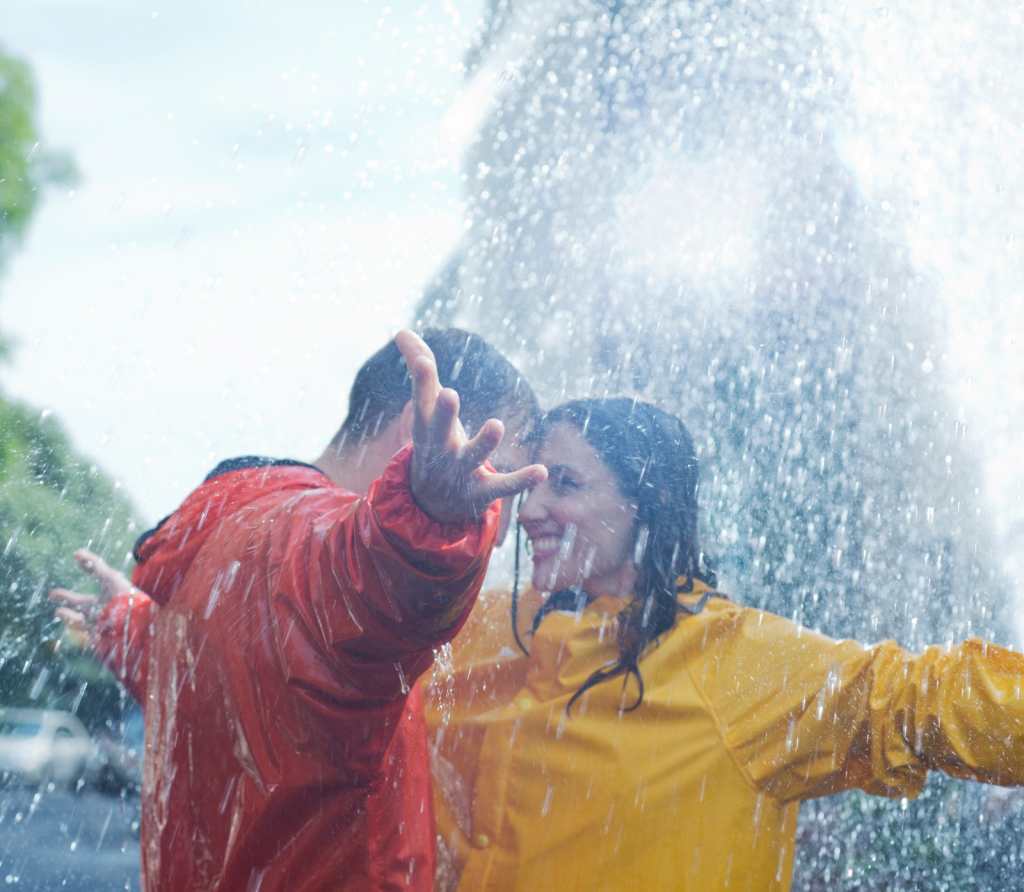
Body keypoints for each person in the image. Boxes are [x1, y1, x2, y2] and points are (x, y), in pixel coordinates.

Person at [423, 397, 1024, 892]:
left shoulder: (730, 659)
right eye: (529, 486)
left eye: (566, 485)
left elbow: (914, 699)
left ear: (644, 505)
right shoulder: (489, 627)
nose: (530, 511)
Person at [50, 328, 546, 892]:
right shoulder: (319, 542)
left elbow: (248, 691)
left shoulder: (235, 537)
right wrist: (430, 518)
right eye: (493, 476)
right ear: (416, 432)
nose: (501, 528)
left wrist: (134, 631)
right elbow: (362, 583)